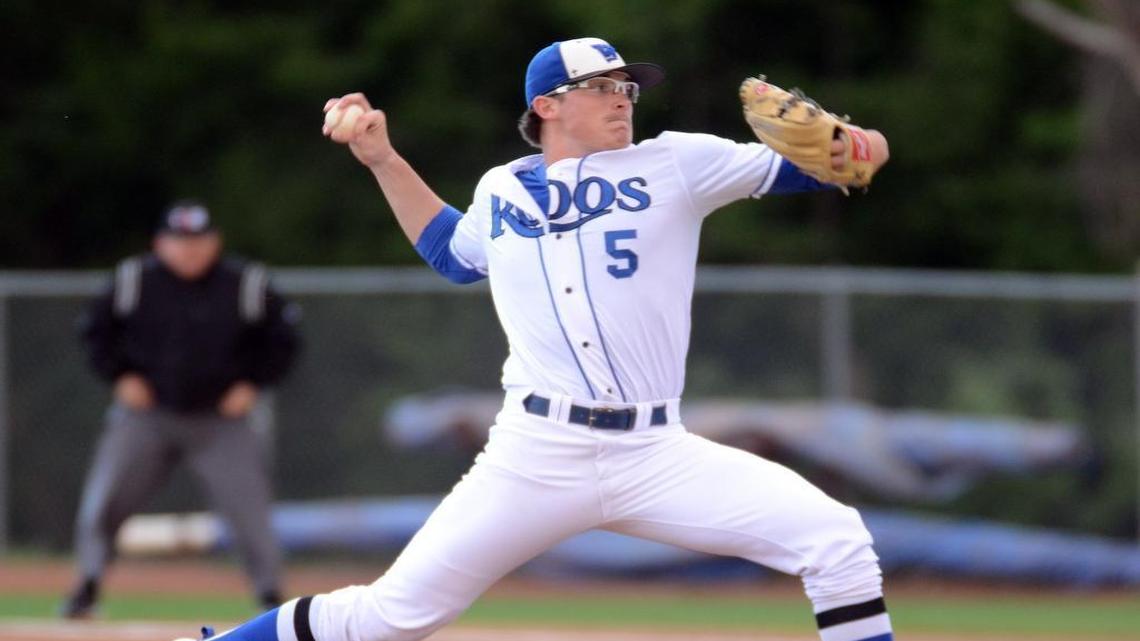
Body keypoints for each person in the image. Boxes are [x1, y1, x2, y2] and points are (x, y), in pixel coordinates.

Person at [178, 37, 894, 641]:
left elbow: (846, 162)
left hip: (655, 452)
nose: (623, 99)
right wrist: (382, 160)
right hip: (535, 455)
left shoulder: (677, 162)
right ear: (547, 106)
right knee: (393, 614)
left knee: (837, 541)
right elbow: (452, 255)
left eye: (628, 88)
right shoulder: (501, 190)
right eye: (603, 86)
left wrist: (856, 142)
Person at [63, 201, 301, 619]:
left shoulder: (245, 282)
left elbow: (284, 339)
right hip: (148, 415)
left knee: (250, 511)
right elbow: (93, 331)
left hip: (222, 420)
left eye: (198, 241)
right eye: (179, 241)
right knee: (104, 500)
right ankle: (86, 587)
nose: (189, 250)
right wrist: (120, 376)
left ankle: (270, 599)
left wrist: (253, 383)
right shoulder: (133, 280)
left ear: (215, 242)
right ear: (160, 243)